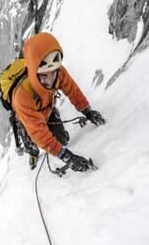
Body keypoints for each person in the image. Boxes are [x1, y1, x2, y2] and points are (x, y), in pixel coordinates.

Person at [11, 32, 106, 171]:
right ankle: (32, 152)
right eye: (43, 76)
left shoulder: (58, 72)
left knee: (62, 140)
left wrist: (87, 111)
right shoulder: (22, 95)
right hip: (26, 121)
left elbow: (73, 91)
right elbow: (39, 133)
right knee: (33, 145)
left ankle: (50, 115)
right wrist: (67, 157)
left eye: (53, 73)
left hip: (47, 109)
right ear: (33, 72)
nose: (50, 80)